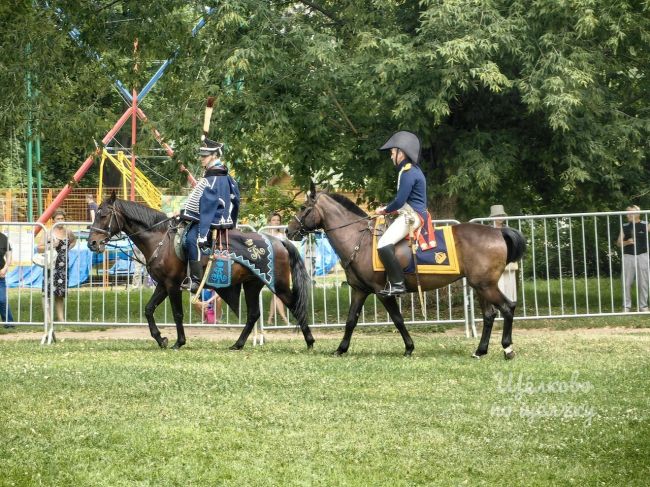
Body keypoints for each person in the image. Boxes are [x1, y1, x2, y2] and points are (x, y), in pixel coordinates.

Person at [180, 137, 240, 293]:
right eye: (201, 155)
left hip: (214, 217)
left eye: (204, 156)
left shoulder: (214, 177)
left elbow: (206, 203)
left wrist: (183, 213)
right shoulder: (217, 174)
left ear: (214, 155)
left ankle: (196, 280)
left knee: (191, 239)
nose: (201, 159)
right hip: (215, 214)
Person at [375, 130, 427, 296]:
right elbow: (403, 201)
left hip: (412, 216)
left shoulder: (408, 172)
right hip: (410, 212)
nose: (391, 156)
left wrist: (384, 210)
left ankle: (398, 284)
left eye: (392, 153)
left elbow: (399, 201)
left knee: (383, 244)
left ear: (401, 153)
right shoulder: (410, 170)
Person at [38, 209, 77, 322]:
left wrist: (68, 248)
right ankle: (48, 319)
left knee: (60, 293)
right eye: (58, 219)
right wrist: (51, 246)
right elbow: (39, 248)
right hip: (51, 266)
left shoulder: (68, 232)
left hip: (63, 268)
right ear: (53, 220)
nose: (60, 221)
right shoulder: (48, 232)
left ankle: (61, 318)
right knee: (47, 292)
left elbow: (73, 241)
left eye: (62, 219)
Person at [617, 205, 649, 312]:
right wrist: (627, 242)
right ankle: (626, 306)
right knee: (626, 282)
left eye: (631, 213)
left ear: (638, 214)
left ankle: (643, 306)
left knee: (643, 282)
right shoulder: (625, 226)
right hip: (628, 257)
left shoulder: (645, 224)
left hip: (643, 256)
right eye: (627, 213)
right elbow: (618, 243)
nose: (628, 215)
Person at [489, 204, 518, 303]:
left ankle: (510, 304)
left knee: (509, 284)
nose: (500, 217)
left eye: (501, 215)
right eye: (497, 215)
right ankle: (498, 305)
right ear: (492, 217)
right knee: (497, 284)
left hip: (508, 260)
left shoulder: (509, 229)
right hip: (493, 261)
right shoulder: (487, 231)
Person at [264, 213, 289, 324]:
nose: (276, 222)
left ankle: (270, 319)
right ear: (270, 221)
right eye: (274, 220)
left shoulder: (282, 235)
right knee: (277, 293)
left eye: (278, 220)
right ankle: (284, 319)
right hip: (268, 266)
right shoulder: (264, 234)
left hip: (280, 266)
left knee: (276, 292)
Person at [0, 230, 15, 328]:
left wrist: (5, 268)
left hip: (0, 274)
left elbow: (9, 256)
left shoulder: (3, 238)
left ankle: (9, 322)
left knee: (2, 300)